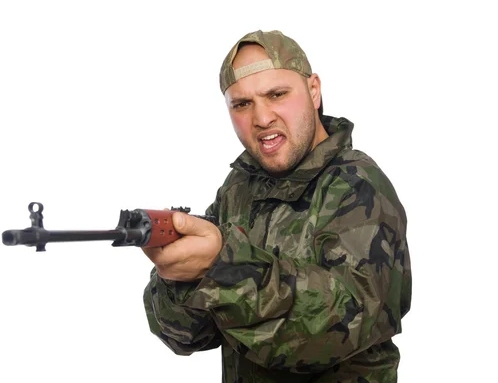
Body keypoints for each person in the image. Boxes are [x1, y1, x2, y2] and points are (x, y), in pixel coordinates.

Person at [142, 30, 412, 383]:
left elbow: (345, 326)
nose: (262, 118)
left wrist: (222, 267)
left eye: (276, 94)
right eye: (242, 104)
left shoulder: (356, 186)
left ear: (313, 91)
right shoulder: (238, 190)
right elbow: (188, 337)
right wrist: (179, 276)